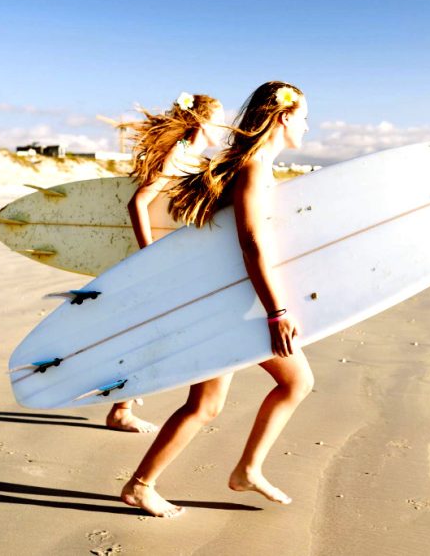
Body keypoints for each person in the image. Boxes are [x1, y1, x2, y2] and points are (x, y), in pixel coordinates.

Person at [120, 81, 312, 517]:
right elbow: (250, 243)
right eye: (303, 116)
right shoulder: (254, 167)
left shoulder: (255, 164)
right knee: (281, 385)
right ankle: (147, 484)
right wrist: (276, 311)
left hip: (231, 300)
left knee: (219, 401)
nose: (307, 126)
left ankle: (244, 470)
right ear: (283, 116)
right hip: (234, 305)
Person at [105, 92, 226, 433]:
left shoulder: (199, 160)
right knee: (147, 334)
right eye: (219, 118)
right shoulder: (179, 155)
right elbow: (138, 202)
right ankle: (120, 409)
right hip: (159, 263)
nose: (224, 125)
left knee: (149, 332)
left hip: (176, 262)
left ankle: (121, 406)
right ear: (202, 122)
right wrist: (150, 254)